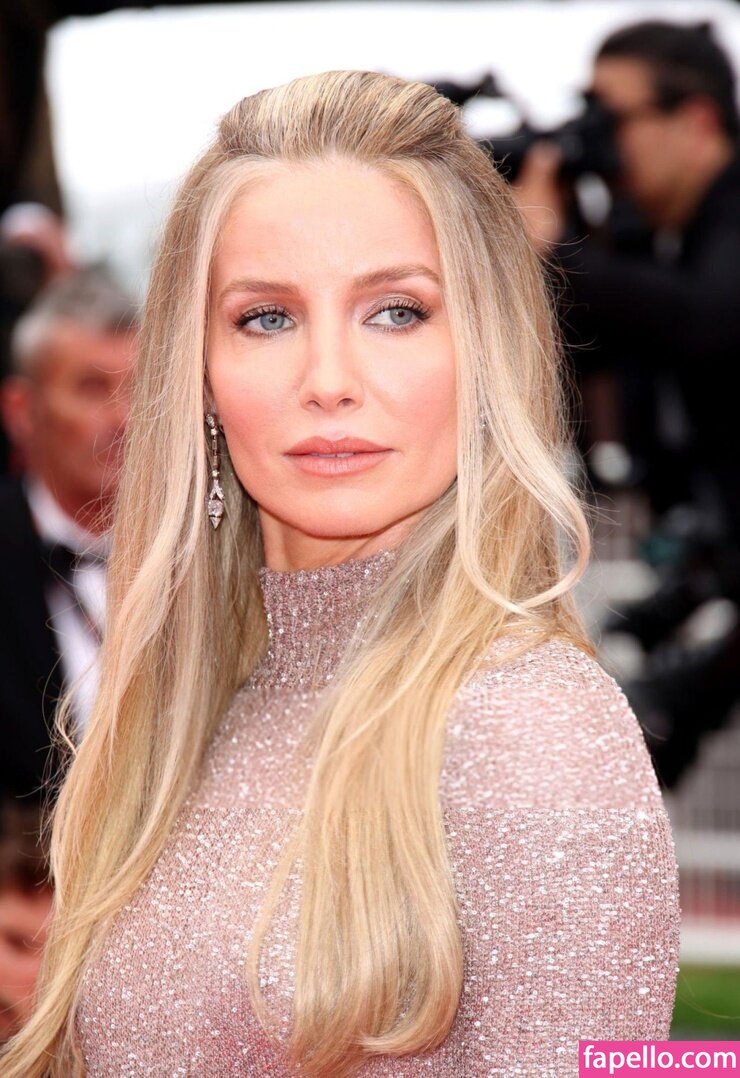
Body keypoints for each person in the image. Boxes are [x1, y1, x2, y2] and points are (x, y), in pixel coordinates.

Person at [0, 70, 680, 1077]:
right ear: (197, 373)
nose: (327, 381)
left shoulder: (529, 729)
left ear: (486, 349)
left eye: (396, 312)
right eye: (266, 319)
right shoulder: (183, 714)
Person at [0, 266, 137, 803]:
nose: (125, 418)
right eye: (92, 388)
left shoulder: (213, 548)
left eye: (141, 388)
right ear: (21, 411)